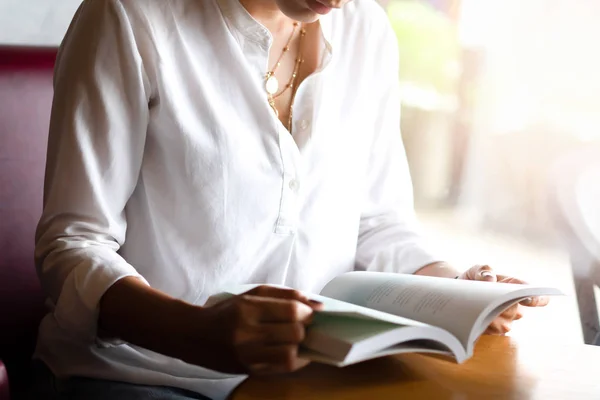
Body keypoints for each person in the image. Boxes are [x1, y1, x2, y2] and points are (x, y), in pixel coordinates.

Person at [32, 0, 549, 399]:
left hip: (307, 374)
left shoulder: (367, 31)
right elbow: (73, 245)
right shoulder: (129, 17)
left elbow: (377, 222)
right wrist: (197, 333)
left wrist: (456, 290)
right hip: (138, 373)